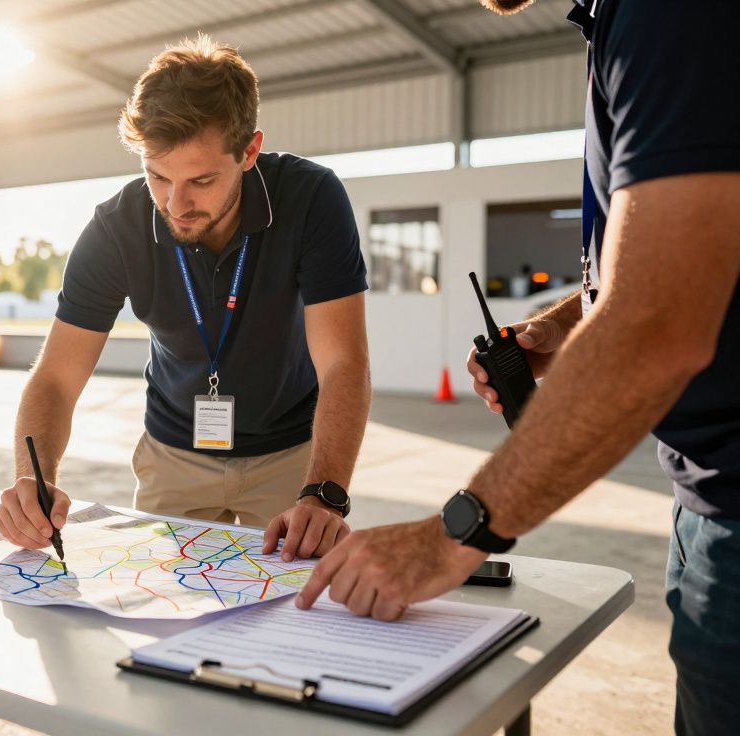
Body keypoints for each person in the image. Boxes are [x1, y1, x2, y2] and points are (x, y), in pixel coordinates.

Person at [296, 2, 740, 733]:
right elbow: (680, 257)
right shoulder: (614, 21)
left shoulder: (669, 15)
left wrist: (449, 538)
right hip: (706, 492)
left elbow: (659, 322)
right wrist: (567, 322)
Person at [0, 35, 372, 564]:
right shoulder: (116, 228)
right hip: (172, 455)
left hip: (290, 454)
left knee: (292, 600)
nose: (176, 204)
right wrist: (32, 478)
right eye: (157, 176)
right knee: (162, 601)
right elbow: (56, 376)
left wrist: (324, 494)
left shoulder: (311, 198)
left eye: (201, 180)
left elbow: (343, 363)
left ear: (249, 151)